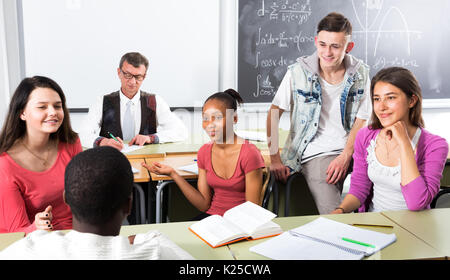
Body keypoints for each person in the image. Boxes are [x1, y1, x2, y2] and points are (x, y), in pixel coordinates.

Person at [0, 146, 194, 259]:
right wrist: (145, 238)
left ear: (66, 199)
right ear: (129, 205)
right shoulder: (155, 250)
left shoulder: (32, 248)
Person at [266, 12, 372, 214]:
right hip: (318, 153)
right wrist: (275, 159)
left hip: (356, 149)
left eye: (335, 46)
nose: (328, 52)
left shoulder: (361, 73)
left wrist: (346, 155)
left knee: (384, 192)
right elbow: (273, 113)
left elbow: (363, 117)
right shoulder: (298, 73)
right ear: (316, 41)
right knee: (336, 216)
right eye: (323, 44)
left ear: (349, 47)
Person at [331, 67, 448, 214]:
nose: (381, 107)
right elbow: (359, 189)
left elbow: (416, 202)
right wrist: (340, 210)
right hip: (375, 224)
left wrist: (404, 142)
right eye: (377, 99)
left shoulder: (435, 146)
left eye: (391, 98)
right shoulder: (365, 136)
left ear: (412, 100)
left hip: (415, 227)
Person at [143, 89, 266, 219]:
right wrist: (173, 174)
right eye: (205, 118)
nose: (210, 125)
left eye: (218, 118)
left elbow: (253, 211)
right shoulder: (204, 152)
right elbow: (203, 205)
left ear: (234, 118)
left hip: (242, 221)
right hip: (213, 218)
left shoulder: (250, 153)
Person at [0, 76, 82, 233]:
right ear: (22, 113)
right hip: (31, 241)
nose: (53, 112)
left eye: (57, 106)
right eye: (42, 107)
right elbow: (17, 232)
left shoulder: (71, 143)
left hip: (74, 234)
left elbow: (82, 198)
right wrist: (37, 226)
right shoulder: (4, 165)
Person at [81, 52, 188, 149]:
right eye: (128, 75)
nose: (132, 82)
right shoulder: (102, 101)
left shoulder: (155, 101)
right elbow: (83, 133)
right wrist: (102, 141)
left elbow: (181, 131)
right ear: (119, 72)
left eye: (138, 77)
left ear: (144, 76)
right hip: (110, 160)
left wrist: (151, 138)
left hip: (146, 161)